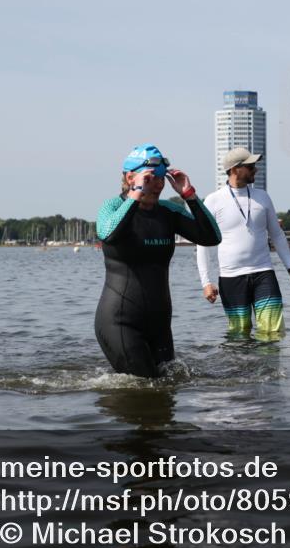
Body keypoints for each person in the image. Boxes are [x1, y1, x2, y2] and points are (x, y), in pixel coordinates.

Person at [94, 144, 221, 377]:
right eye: (152, 177)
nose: (159, 184)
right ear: (131, 177)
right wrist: (135, 195)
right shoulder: (112, 207)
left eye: (162, 177)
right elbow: (108, 234)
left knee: (166, 391)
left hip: (160, 325)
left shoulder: (168, 211)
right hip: (120, 322)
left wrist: (189, 195)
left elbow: (212, 237)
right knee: (144, 388)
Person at [196, 147, 290, 337]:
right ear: (235, 169)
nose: (255, 170)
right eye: (250, 166)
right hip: (231, 278)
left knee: (272, 332)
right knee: (239, 336)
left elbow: (277, 235)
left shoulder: (262, 197)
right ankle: (245, 368)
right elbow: (203, 245)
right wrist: (206, 282)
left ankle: (270, 368)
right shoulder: (213, 200)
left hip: (263, 273)